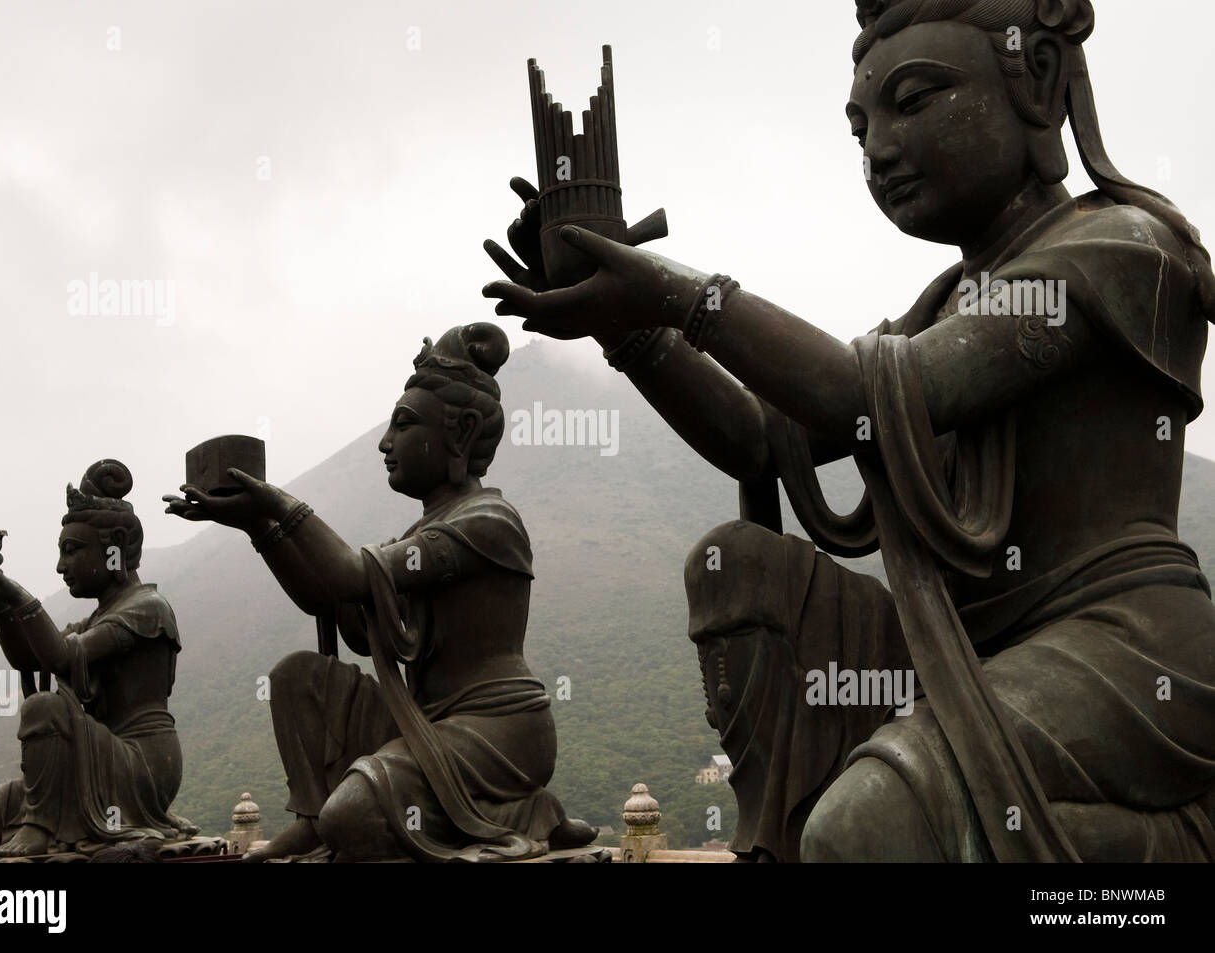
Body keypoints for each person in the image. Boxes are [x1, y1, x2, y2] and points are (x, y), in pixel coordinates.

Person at [483, 0, 1215, 861]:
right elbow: (759, 437)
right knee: (737, 565)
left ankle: (1161, 850)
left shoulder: (1121, 246)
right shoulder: (937, 310)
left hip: (1120, 649)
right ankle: (777, 839)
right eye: (860, 127)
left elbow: (855, 392)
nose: (879, 149)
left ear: (1040, 78)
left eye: (915, 100)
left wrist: (678, 293)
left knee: (869, 823)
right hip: (966, 648)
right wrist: (626, 326)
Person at [164, 323, 594, 861]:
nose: (385, 444)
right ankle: (314, 815)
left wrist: (278, 504)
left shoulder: (488, 522)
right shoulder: (418, 539)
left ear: (459, 434)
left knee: (357, 817)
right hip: (423, 721)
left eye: (404, 426)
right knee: (297, 676)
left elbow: (346, 573)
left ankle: (524, 810)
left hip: (496, 732)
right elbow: (330, 597)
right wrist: (258, 527)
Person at [0, 460, 194, 857]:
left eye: (71, 551)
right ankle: (40, 821)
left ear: (114, 549)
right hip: (92, 758)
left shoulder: (147, 608)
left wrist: (19, 596)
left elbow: (62, 657)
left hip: (139, 765)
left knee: (45, 707)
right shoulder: (96, 619)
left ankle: (41, 827)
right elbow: (30, 659)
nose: (61, 566)